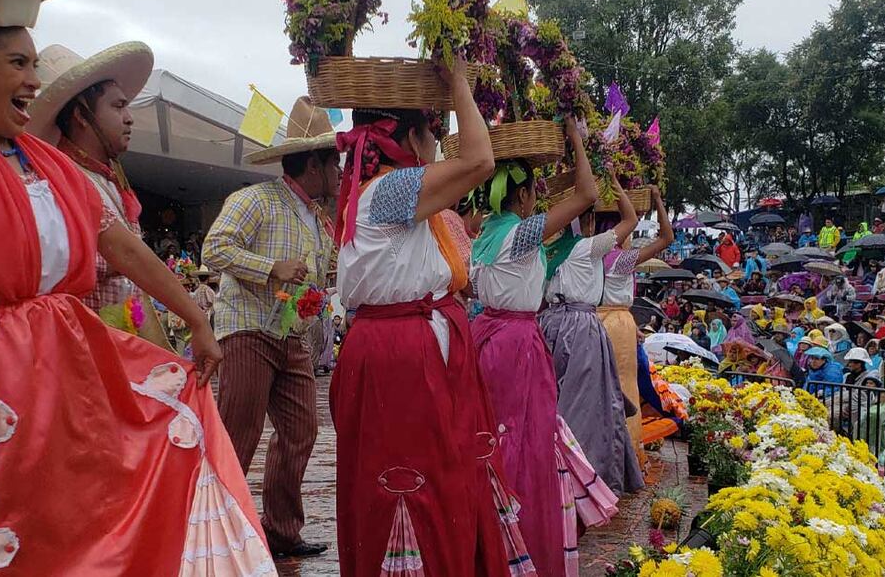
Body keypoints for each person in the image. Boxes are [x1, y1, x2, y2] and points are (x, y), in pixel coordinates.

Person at [0, 18, 272, 572]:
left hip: (63, 364)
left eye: (33, 65)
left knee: (73, 511)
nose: (30, 80)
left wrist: (195, 317)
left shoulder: (45, 166)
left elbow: (124, 250)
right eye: (16, 64)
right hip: (6, 366)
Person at [330, 60, 528, 575]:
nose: (437, 150)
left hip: (398, 342)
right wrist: (459, 79)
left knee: (427, 474)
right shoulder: (390, 190)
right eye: (432, 135)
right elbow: (481, 160)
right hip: (402, 352)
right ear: (408, 140)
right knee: (423, 480)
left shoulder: (376, 194)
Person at [469, 118, 612, 577]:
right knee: (526, 444)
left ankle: (489, 539)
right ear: (525, 194)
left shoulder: (485, 233)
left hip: (486, 337)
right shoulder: (521, 234)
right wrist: (574, 136)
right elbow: (588, 195)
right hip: (516, 344)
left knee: (494, 437)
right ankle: (522, 544)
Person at [202, 97, 337, 558]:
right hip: (247, 331)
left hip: (291, 337)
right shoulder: (255, 199)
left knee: (302, 430)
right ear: (315, 165)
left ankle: (280, 531)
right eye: (335, 164)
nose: (339, 174)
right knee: (238, 433)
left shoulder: (319, 221)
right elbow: (214, 249)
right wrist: (270, 267)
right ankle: (215, 534)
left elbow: (328, 273)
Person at [27, 42, 172, 349]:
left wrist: (164, 353)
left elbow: (132, 279)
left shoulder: (108, 180)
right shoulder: (60, 180)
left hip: (119, 345)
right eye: (118, 107)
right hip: (84, 347)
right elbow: (128, 259)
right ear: (81, 115)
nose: (130, 118)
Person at [542, 176, 644, 500]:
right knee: (585, 408)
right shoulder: (588, 248)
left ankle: (551, 474)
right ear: (586, 221)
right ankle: (579, 481)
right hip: (582, 328)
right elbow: (631, 220)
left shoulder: (547, 249)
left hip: (547, 325)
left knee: (551, 404)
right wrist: (613, 182)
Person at [599, 186, 674, 474]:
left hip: (598, 320)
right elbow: (667, 238)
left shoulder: (591, 254)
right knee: (624, 392)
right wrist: (656, 199)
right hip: (616, 326)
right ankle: (625, 457)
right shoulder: (619, 258)